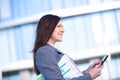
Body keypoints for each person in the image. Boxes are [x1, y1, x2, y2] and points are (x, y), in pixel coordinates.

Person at [32, 14, 103, 80]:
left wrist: (87, 72)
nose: (63, 30)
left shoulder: (49, 50)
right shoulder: (44, 51)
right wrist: (89, 76)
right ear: (48, 28)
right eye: (59, 26)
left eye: (62, 27)